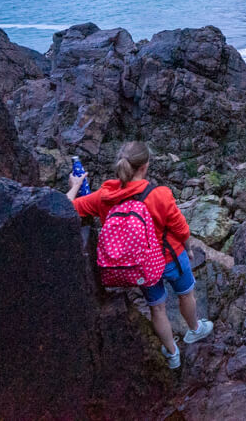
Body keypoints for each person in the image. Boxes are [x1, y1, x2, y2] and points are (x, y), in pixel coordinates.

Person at [66, 141, 213, 369]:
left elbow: (66, 207)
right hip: (171, 257)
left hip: (141, 267)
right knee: (186, 294)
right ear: (145, 166)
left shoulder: (104, 197)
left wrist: (75, 186)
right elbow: (181, 229)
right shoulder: (159, 195)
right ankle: (195, 329)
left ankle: (172, 354)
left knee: (157, 307)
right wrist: (189, 249)